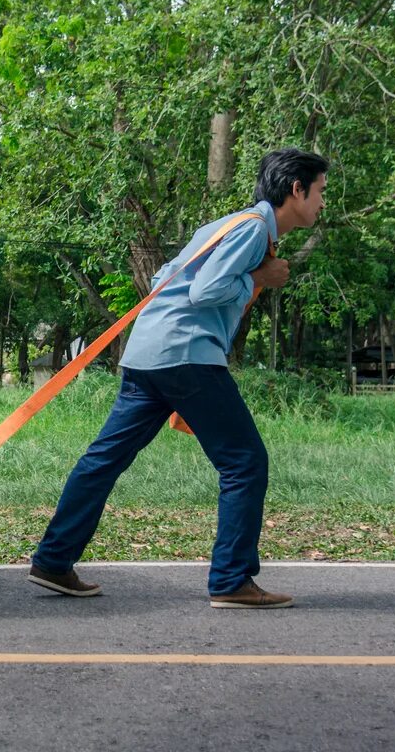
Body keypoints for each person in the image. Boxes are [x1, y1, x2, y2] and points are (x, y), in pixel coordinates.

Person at [27, 148, 328, 608]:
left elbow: (166, 277)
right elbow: (207, 290)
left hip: (147, 353)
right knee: (244, 462)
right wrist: (259, 277)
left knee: (104, 459)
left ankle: (52, 560)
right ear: (296, 190)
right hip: (187, 357)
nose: (323, 202)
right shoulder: (251, 231)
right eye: (321, 191)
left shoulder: (226, 224)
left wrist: (253, 275)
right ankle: (231, 580)